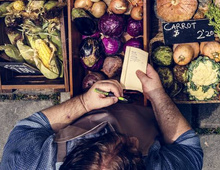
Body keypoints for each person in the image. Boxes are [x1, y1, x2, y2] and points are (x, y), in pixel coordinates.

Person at [0, 64, 203, 170]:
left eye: (108, 140)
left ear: (75, 156)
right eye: (133, 148)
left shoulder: (24, 164)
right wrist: (157, 94)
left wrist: (84, 103)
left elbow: (29, 127)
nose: (133, 139)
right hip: (145, 113)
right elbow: (188, 148)